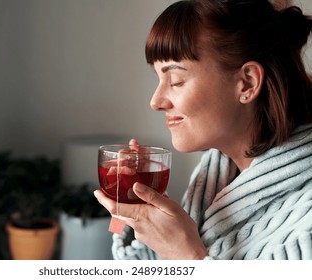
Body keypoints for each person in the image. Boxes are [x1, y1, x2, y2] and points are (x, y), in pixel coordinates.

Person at [94, 0, 312, 260]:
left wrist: (190, 258)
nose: (156, 102)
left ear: (247, 83)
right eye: (158, 78)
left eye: (176, 80)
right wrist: (131, 211)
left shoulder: (304, 223)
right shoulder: (214, 175)